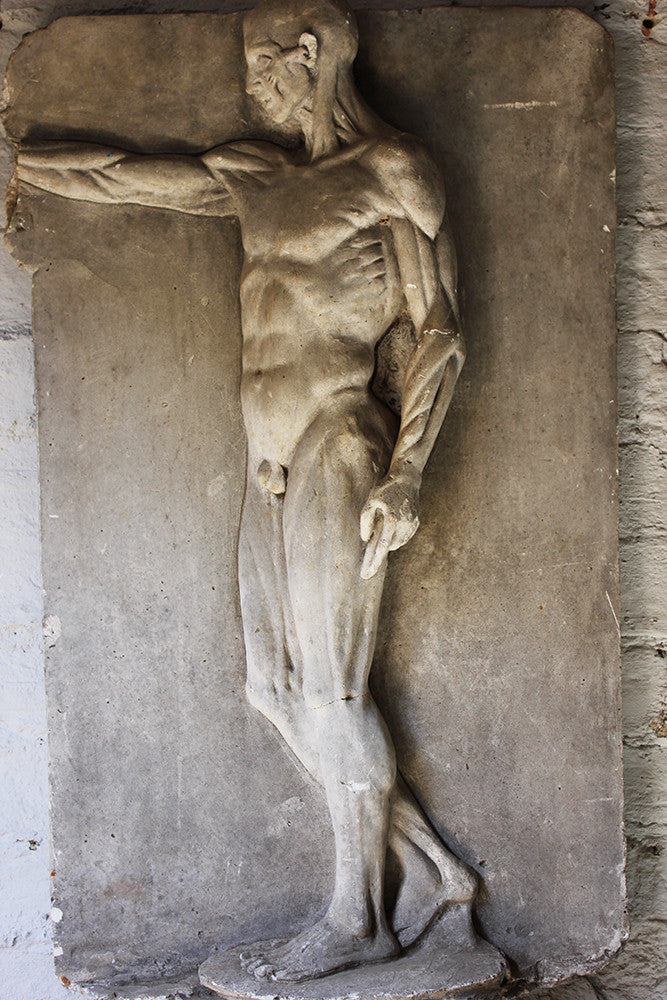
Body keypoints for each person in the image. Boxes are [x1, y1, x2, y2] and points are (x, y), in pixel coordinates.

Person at [15, 0, 476, 982]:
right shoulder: (252, 174)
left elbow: (438, 330)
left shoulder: (392, 170)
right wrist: (20, 161)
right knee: (270, 691)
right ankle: (438, 874)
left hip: (339, 440)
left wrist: (406, 472)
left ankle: (359, 920)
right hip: (269, 461)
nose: (252, 82)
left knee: (332, 690)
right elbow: (117, 175)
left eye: (263, 62)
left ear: (310, 53)